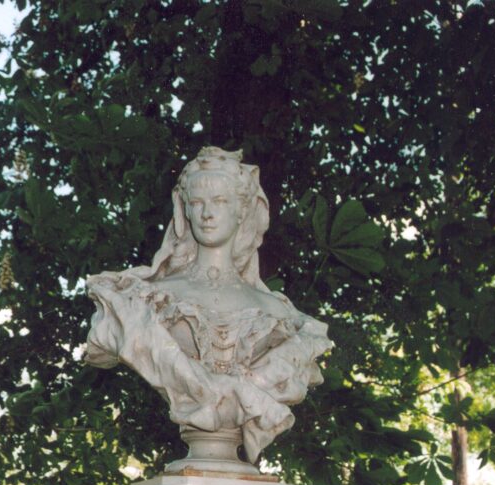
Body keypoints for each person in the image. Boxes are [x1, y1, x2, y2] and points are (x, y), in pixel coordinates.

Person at [85, 147, 332, 464]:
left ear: (242, 210)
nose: (207, 213)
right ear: (185, 210)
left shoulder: (281, 316)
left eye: (220, 201)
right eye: (197, 202)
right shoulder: (142, 301)